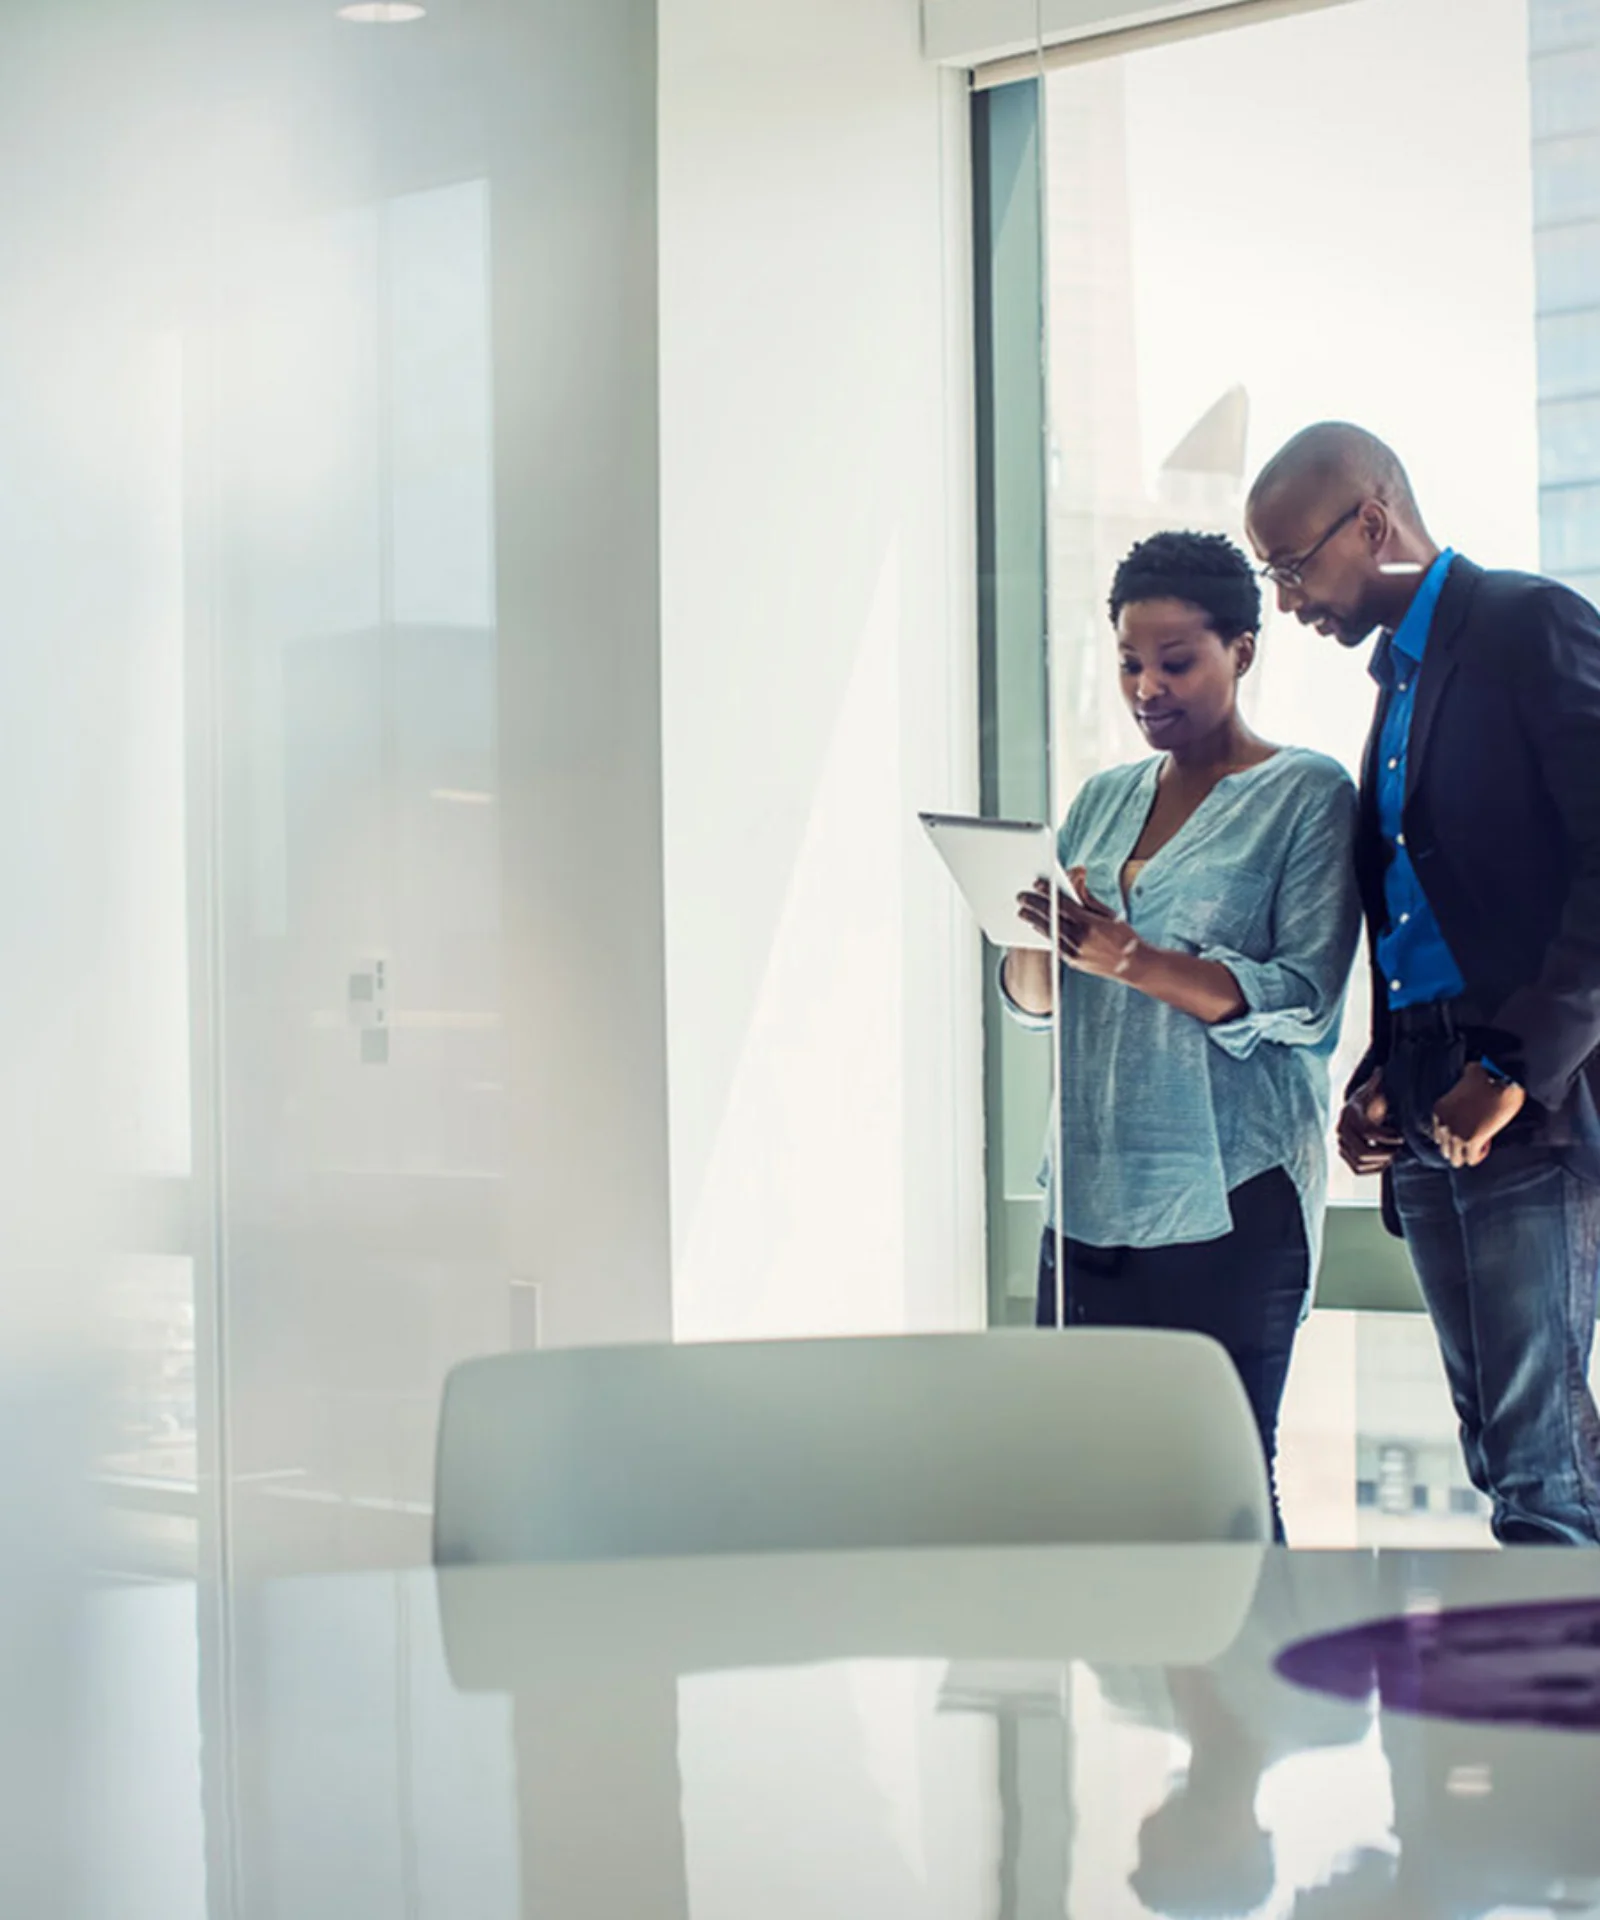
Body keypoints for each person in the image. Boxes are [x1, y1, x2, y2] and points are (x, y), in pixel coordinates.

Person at [1245, 420, 1600, 1545]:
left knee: (1540, 1477)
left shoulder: (1524, 626)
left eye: (1291, 566)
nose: (1286, 599)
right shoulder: (1395, 686)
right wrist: (1383, 1073)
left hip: (1527, 1099)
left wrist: (1507, 1066)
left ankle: (1550, 1715)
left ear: (1371, 521)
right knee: (1501, 1452)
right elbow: (1420, 912)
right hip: (1436, 1094)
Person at [1001, 529, 1360, 1540]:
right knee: (1083, 1494)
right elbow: (1036, 996)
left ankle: (1249, 1696)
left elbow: (1302, 998)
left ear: (1242, 650)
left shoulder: (1305, 795)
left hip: (1229, 1199)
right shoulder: (1102, 800)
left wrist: (1133, 961)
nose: (1144, 687)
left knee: (1223, 1489)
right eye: (1127, 662)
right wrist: (1035, 936)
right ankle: (1114, 1701)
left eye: (1173, 661)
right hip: (1086, 1197)